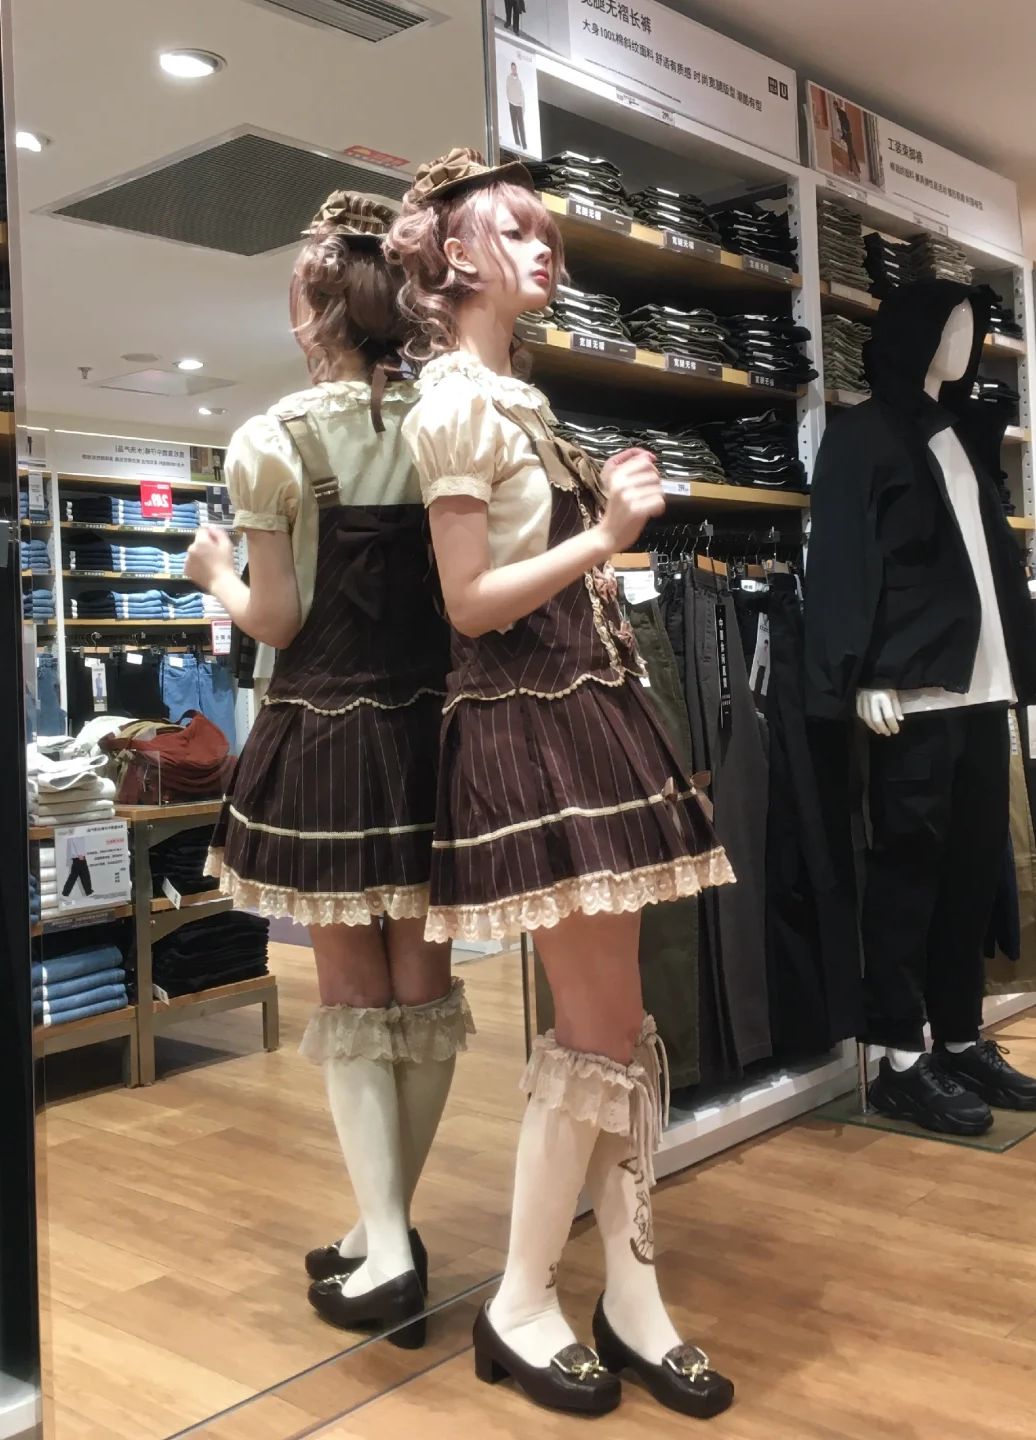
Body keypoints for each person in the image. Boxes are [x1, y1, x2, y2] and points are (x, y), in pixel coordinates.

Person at [387, 149, 736, 1418]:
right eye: (519, 231)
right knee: (598, 1025)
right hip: (530, 725)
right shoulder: (452, 407)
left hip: (582, 709)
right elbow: (468, 603)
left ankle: (624, 1294)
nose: (546, 251)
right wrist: (605, 535)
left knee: (617, 1022)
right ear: (458, 255)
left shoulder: (515, 400)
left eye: (550, 234)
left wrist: (602, 539)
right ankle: (527, 1297)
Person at [184, 190, 470, 1349]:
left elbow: (278, 620)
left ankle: (387, 1248)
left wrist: (212, 574)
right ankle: (379, 1223)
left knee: (352, 992)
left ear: (314, 311)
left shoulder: (274, 440)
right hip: (437, 729)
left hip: (329, 734)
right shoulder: (440, 422)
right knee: (425, 991)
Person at [506, 62, 527, 150]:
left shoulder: (519, 80)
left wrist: (521, 104)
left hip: (518, 105)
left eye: (515, 68)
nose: (514, 69)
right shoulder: (508, 79)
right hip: (512, 104)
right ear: (511, 68)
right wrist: (510, 100)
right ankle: (517, 143)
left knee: (521, 126)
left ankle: (524, 145)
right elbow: (507, 90)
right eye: (512, 68)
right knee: (514, 125)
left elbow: (521, 93)